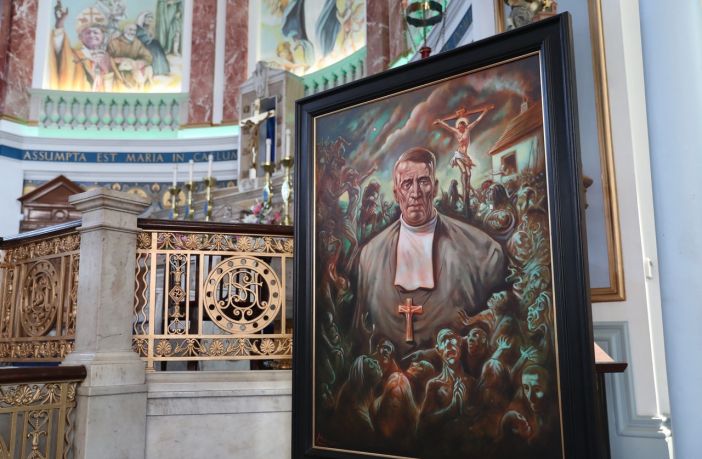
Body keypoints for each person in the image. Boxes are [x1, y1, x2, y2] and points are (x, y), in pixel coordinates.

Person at [354, 147, 506, 355]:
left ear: (434, 188)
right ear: (396, 193)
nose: (415, 193)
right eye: (407, 184)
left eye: (423, 182)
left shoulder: (482, 250)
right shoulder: (370, 255)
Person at [47, 4, 120, 91]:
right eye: (88, 32)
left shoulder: (109, 59)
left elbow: (118, 87)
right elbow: (59, 50)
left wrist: (107, 71)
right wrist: (59, 25)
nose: (92, 35)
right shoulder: (73, 56)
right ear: (80, 38)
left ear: (103, 36)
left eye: (96, 32)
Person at [107, 22, 154, 90]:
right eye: (130, 29)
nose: (132, 32)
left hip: (135, 72)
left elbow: (148, 57)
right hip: (119, 74)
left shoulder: (137, 42)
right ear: (124, 30)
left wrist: (139, 62)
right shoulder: (114, 43)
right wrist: (120, 61)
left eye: (134, 30)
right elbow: (109, 59)